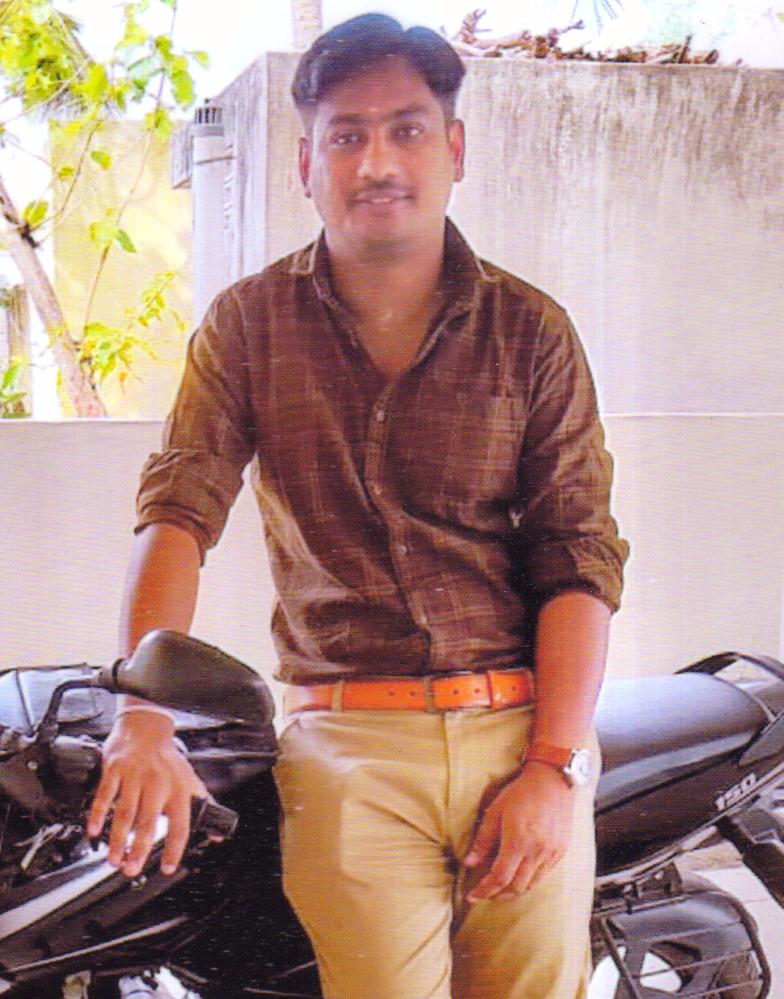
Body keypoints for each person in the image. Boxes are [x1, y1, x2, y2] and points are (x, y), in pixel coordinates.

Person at [88, 13, 628, 999]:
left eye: (406, 129)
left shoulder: (530, 331)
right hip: (347, 752)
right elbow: (178, 511)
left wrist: (554, 767)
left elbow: (577, 553)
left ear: (453, 148)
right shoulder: (249, 327)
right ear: (307, 162)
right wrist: (143, 711)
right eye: (346, 135)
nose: (377, 161)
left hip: (520, 733)